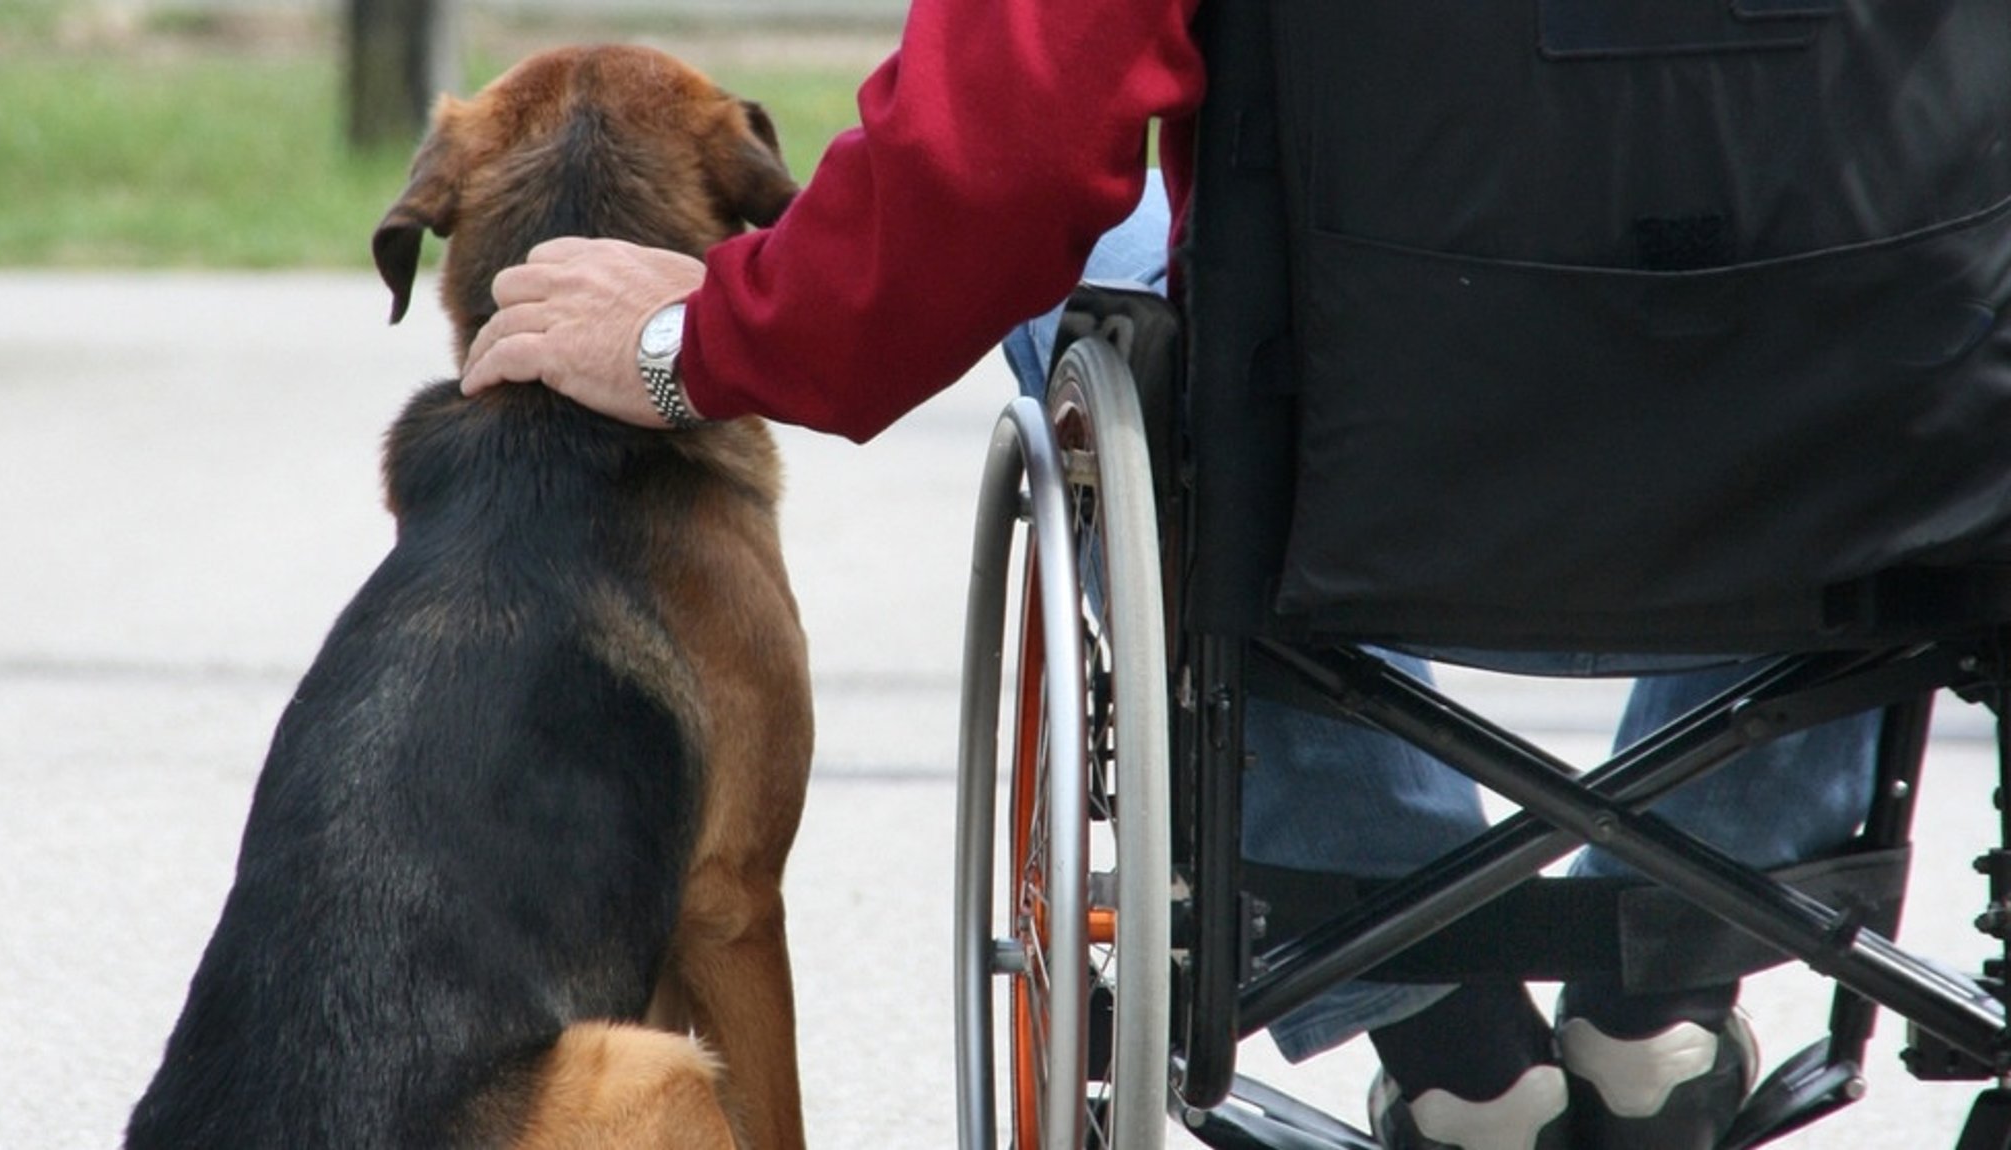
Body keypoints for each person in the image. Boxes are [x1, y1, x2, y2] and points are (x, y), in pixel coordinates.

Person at [458, 3, 1881, 1147]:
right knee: (1857, 276)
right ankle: (1675, 989)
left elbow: (994, 161)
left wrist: (695, 343)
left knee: (1098, 280)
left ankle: (1454, 1045)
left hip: (1385, 427)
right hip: (1832, 416)